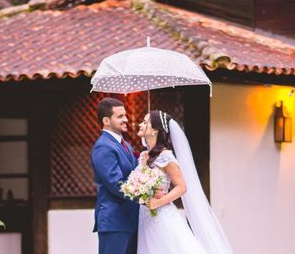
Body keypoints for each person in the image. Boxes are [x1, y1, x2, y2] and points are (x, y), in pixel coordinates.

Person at [137, 110, 234, 254]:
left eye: (145, 122)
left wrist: (159, 201)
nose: (140, 124)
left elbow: (182, 187)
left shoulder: (166, 157)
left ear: (155, 130)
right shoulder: (144, 155)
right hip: (145, 216)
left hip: (161, 216)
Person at [91, 97, 139, 254]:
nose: (126, 119)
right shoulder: (103, 147)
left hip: (131, 219)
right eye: (120, 116)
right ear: (106, 120)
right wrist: (145, 196)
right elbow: (116, 184)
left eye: (125, 115)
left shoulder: (126, 144)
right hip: (114, 221)